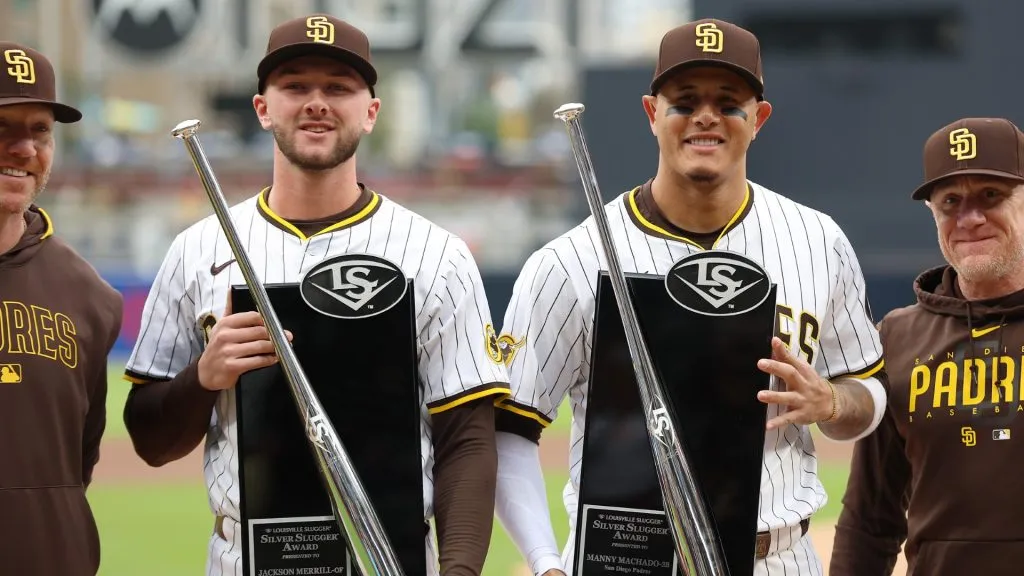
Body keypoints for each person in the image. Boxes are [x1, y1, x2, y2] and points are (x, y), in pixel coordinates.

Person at [492, 18, 888, 576]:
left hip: (776, 557)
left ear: (759, 119)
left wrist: (833, 403)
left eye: (728, 102)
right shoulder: (569, 262)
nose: (706, 116)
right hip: (626, 559)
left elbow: (869, 390)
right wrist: (543, 562)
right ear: (652, 114)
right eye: (684, 101)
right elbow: (509, 428)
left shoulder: (817, 241)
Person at [121, 14, 509, 576]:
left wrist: (460, 572)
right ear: (262, 108)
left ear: (370, 112)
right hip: (245, 561)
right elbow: (150, 441)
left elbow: (467, 440)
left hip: (394, 558)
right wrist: (203, 377)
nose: (317, 102)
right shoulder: (196, 249)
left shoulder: (436, 253)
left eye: (339, 87)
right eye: (296, 85)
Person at [830, 117, 1024, 575]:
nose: (969, 218)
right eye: (950, 202)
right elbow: (869, 519)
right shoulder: (897, 338)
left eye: (990, 196)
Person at [0, 42, 123, 575]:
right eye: (2, 127)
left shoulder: (89, 298)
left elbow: (80, 462)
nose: (24, 148)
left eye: (40, 130)